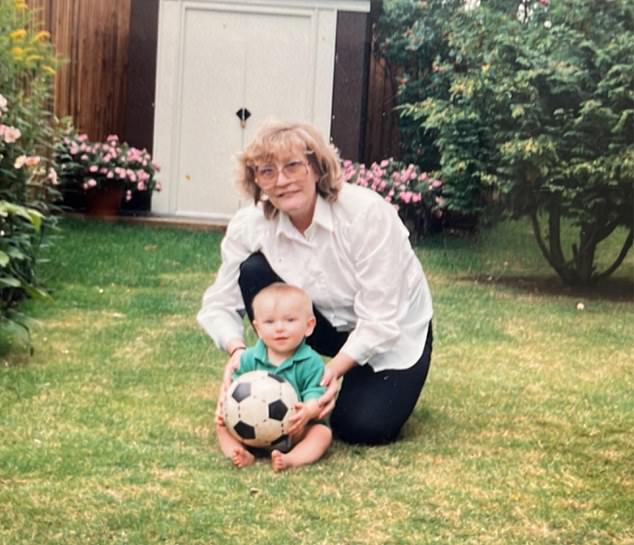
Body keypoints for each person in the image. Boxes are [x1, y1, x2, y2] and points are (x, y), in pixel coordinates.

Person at [198, 119, 433, 446]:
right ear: (256, 181)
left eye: (293, 166)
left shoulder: (366, 213)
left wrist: (332, 373)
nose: (281, 181)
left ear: (317, 168)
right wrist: (237, 351)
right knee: (252, 270)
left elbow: (382, 317)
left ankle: (346, 382)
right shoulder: (248, 226)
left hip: (392, 330)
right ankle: (281, 373)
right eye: (267, 172)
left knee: (361, 428)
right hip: (316, 320)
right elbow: (219, 304)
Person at [215, 282, 331, 471]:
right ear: (258, 329)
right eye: (270, 322)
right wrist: (224, 409)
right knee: (221, 426)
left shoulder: (311, 362)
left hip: (294, 432)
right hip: (249, 429)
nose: (279, 328)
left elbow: (316, 394)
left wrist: (308, 411)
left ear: (309, 326)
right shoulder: (249, 358)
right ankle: (240, 453)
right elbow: (233, 389)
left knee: (321, 434)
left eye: (290, 320)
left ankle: (291, 459)